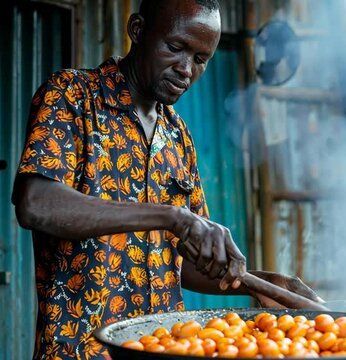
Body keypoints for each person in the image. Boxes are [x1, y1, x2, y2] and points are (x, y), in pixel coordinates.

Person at [11, 0, 321, 358]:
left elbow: (185, 265)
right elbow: (37, 205)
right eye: (175, 48)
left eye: (201, 59)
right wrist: (172, 216)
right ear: (138, 31)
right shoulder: (72, 96)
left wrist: (265, 282)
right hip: (81, 350)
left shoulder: (178, 136)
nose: (186, 69)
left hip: (161, 347)